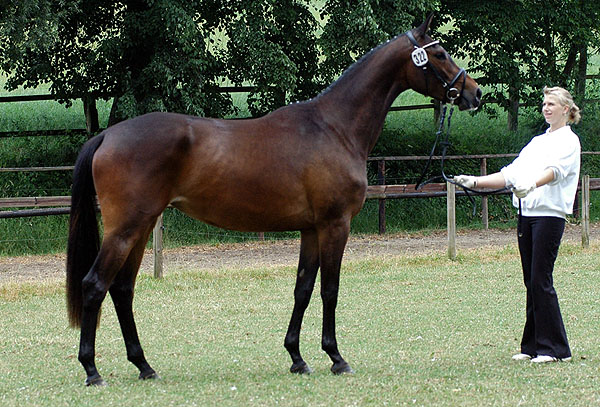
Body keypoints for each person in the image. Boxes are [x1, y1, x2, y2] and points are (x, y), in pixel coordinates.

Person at [454, 86, 581, 363]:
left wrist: (531, 183)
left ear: (565, 110)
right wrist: (475, 182)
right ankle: (533, 345)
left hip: (549, 215)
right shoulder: (537, 142)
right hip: (527, 214)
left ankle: (556, 349)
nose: (546, 108)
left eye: (552, 104)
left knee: (540, 279)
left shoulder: (569, 142)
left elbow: (555, 172)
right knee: (530, 281)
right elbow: (511, 173)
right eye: (544, 103)